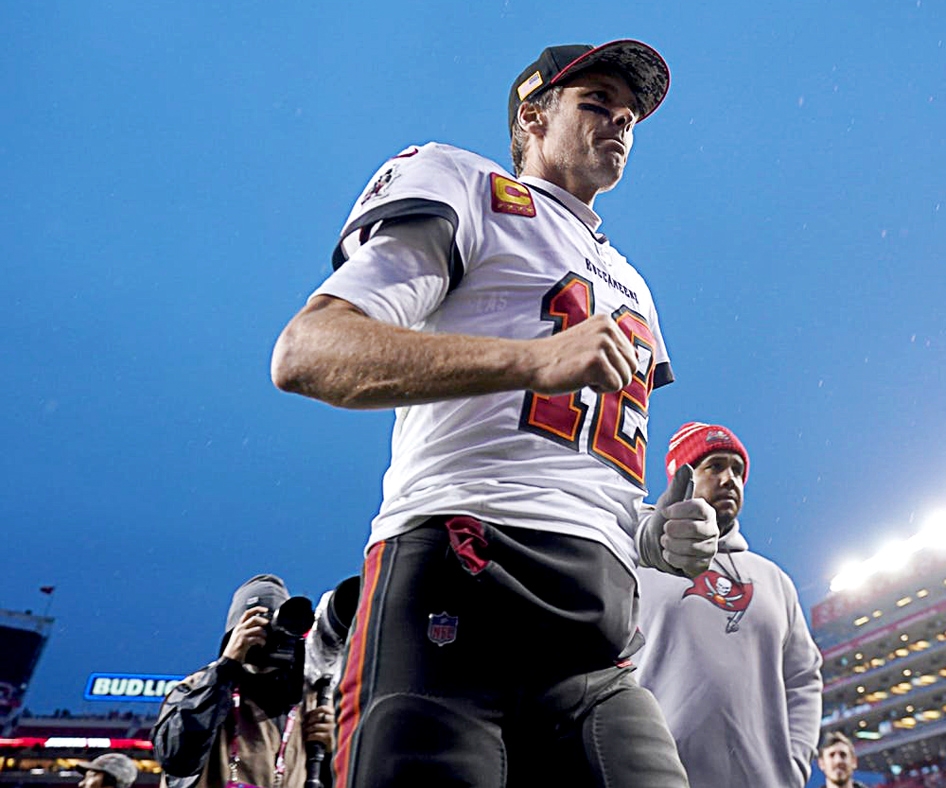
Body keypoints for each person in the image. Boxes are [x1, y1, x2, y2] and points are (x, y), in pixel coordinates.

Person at [270, 39, 717, 787]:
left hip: (595, 629)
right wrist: (530, 360)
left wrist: (652, 534)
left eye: (630, 115)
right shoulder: (466, 185)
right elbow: (308, 351)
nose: (619, 124)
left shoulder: (633, 284)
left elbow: (572, 464)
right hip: (460, 585)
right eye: (596, 103)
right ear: (532, 117)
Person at [633, 422, 823, 787]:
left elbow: (803, 678)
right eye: (714, 466)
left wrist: (795, 763)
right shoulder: (643, 564)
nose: (730, 479)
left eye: (737, 469)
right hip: (661, 778)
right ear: (683, 478)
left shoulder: (774, 580)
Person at [152, 575, 335, 788]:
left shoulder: (309, 700)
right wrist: (227, 666)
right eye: (255, 627)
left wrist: (332, 751)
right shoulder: (194, 688)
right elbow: (176, 759)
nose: (267, 639)